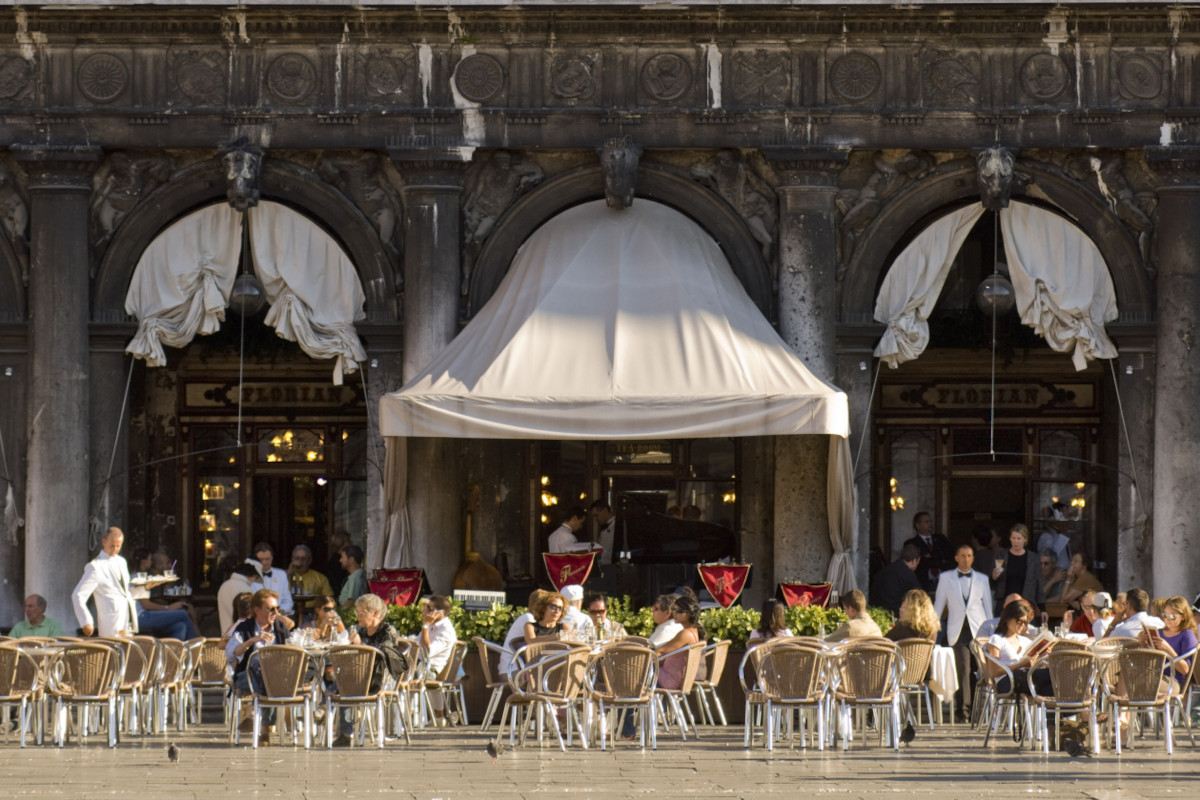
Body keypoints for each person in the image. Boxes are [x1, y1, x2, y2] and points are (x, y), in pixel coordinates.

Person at [338, 592, 409, 745]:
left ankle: (344, 729)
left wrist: (360, 646)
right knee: (338, 683)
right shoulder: (361, 631)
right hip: (360, 676)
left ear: (375, 613)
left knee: (344, 686)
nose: (358, 615)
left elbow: (384, 653)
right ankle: (344, 729)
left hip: (381, 679)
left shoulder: (387, 630)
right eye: (356, 612)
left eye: (361, 612)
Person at [933, 543, 992, 722]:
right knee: (964, 669)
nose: (966, 559)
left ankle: (977, 709)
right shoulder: (945, 578)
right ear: (956, 558)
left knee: (979, 669)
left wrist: (992, 632)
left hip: (978, 629)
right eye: (963, 555)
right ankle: (963, 711)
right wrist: (933, 629)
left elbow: (988, 606)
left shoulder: (982, 579)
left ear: (973, 558)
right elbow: (939, 604)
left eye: (969, 555)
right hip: (957, 630)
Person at [225, 589, 290, 745]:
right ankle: (264, 730)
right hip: (246, 677)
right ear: (257, 610)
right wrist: (253, 640)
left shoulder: (280, 628)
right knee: (262, 669)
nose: (275, 612)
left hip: (275, 677)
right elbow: (231, 653)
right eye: (271, 609)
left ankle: (256, 717)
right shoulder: (245, 628)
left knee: (272, 675)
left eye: (277, 609)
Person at [71, 526, 139, 638]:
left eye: (118, 546)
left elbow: (126, 591)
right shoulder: (95, 567)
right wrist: (86, 621)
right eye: (112, 546)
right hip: (111, 623)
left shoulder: (122, 562)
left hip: (127, 620)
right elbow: (77, 595)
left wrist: (146, 587)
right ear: (104, 542)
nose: (115, 549)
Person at [985, 597, 1052, 696]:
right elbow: (993, 671)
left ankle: (1066, 711)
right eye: (1019, 621)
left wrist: (1041, 656)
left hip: (1026, 679)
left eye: (1026, 623)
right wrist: (1020, 664)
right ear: (1008, 618)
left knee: (1053, 689)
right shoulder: (997, 639)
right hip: (1007, 681)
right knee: (1054, 674)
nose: (1022, 625)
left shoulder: (1025, 641)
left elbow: (1030, 664)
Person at [1138, 595, 1197, 690]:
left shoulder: (1186, 635)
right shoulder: (1159, 633)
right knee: (1125, 675)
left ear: (1183, 617)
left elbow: (1186, 670)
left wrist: (1168, 649)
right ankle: (1122, 703)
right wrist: (1142, 644)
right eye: (1165, 615)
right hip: (1152, 675)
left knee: (1141, 681)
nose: (1167, 619)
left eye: (1172, 616)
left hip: (1172, 681)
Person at [417, 595, 458, 726]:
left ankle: (407, 719)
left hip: (432, 670)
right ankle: (438, 718)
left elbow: (426, 652)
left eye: (430, 608)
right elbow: (417, 645)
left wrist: (425, 626)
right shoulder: (433, 625)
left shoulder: (446, 631)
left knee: (402, 676)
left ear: (441, 612)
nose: (425, 610)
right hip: (423, 666)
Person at [993, 524, 1044, 614]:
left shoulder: (1033, 558)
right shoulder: (1001, 556)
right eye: (1013, 538)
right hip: (1004, 603)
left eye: (1019, 538)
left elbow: (1039, 583)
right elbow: (994, 584)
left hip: (1026, 603)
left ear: (1025, 539)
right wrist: (994, 577)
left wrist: (1043, 609)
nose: (1016, 541)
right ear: (1010, 539)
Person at [656, 596, 704, 690]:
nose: (675, 613)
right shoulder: (693, 632)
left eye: (680, 611)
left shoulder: (685, 634)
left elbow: (661, 651)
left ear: (689, 613)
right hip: (672, 679)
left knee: (634, 674)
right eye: (674, 610)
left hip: (667, 680)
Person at [499, 589, 549, 675]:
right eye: (549, 605)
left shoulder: (526, 617)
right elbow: (535, 644)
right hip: (513, 671)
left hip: (514, 669)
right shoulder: (529, 619)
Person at [903, 511, 953, 593]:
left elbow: (950, 556)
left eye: (930, 521)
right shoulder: (911, 543)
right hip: (922, 584)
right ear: (917, 525)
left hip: (944, 581)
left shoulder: (940, 539)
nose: (930, 524)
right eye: (926, 522)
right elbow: (913, 566)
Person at [870, 543, 922, 616]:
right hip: (896, 615)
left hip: (878, 613)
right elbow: (919, 598)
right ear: (915, 560)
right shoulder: (908, 574)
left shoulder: (885, 570)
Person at [287, 544, 334, 615]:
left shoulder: (320, 578)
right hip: (289, 611)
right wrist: (288, 573)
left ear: (309, 561)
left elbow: (330, 599)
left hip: (313, 612)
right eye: (297, 558)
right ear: (292, 560)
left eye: (303, 559)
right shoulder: (285, 576)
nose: (300, 562)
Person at [250, 542, 294, 618]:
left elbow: (288, 601)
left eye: (267, 559)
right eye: (261, 560)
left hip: (278, 618)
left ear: (272, 558)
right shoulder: (250, 577)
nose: (264, 562)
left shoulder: (281, 575)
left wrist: (281, 611)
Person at [217, 563, 259, 636]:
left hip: (226, 631)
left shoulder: (224, 585)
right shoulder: (244, 587)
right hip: (240, 633)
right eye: (255, 577)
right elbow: (248, 612)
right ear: (251, 576)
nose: (254, 580)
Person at [589, 500, 616, 565]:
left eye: (596, 515)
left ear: (605, 510)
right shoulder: (604, 528)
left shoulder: (616, 527)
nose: (595, 519)